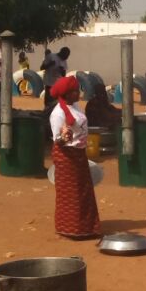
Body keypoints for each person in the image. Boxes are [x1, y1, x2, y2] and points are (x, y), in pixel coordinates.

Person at [49, 74, 101, 239]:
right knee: (70, 193)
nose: (78, 92)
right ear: (67, 93)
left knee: (84, 191)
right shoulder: (57, 114)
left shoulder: (76, 106)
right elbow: (57, 140)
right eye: (75, 90)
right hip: (66, 156)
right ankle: (72, 229)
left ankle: (87, 227)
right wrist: (64, 137)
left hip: (78, 154)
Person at [41, 47, 70, 113]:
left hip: (58, 85)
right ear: (62, 52)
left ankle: (54, 114)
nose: (67, 57)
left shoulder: (64, 61)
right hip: (49, 83)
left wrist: (62, 70)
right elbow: (42, 67)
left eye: (68, 56)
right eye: (66, 55)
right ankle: (47, 114)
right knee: (48, 102)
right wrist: (49, 64)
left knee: (57, 103)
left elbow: (63, 75)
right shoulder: (50, 56)